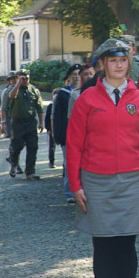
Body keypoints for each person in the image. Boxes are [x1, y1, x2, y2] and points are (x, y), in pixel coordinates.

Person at [67, 39, 139, 278]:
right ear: (102, 64)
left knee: (127, 244)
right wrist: (75, 184)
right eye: (113, 61)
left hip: (134, 179)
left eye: (123, 60)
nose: (119, 65)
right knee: (103, 245)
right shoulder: (87, 100)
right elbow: (74, 145)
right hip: (96, 181)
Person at [6, 69, 46, 180]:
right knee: (16, 146)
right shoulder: (12, 88)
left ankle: (30, 172)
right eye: (22, 78)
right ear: (17, 77)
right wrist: (18, 83)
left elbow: (39, 108)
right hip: (17, 123)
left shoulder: (34, 90)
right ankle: (13, 164)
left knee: (33, 147)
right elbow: (11, 96)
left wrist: (41, 123)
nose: (25, 80)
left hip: (30, 122)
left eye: (27, 78)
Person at [53, 64, 83, 201]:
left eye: (78, 74)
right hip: (67, 134)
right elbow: (57, 115)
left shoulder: (86, 91)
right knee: (69, 163)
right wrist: (57, 134)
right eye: (74, 75)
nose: (76, 77)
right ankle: (70, 192)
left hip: (82, 134)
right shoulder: (63, 94)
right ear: (69, 78)